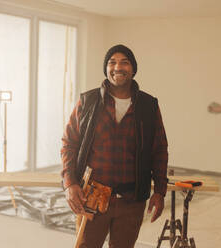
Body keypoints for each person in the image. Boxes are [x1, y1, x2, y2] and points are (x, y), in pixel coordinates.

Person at [61, 44, 168, 248]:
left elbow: (159, 150)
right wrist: (69, 183)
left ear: (133, 69)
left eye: (124, 62)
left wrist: (160, 191)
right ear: (106, 69)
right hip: (92, 196)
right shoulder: (88, 101)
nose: (118, 67)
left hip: (132, 199)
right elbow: (69, 143)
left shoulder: (148, 105)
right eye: (112, 62)